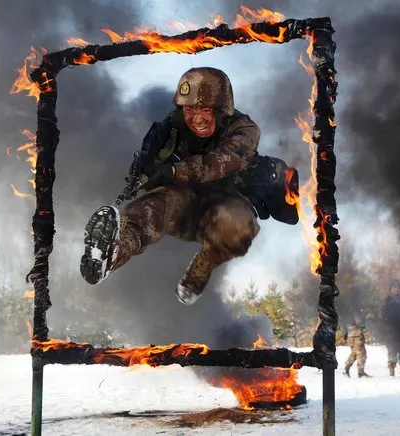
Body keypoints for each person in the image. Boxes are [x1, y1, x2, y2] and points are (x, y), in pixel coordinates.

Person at [80, 67, 266, 305]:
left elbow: (223, 161)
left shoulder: (244, 129)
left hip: (228, 204)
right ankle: (111, 254)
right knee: (152, 208)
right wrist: (149, 172)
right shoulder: (171, 127)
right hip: (185, 202)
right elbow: (154, 162)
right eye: (190, 109)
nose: (197, 118)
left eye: (205, 109)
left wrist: (174, 170)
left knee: (235, 223)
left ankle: (200, 271)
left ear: (222, 109)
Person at [382, 280, 400, 376]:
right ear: (390, 289)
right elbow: (383, 315)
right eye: (394, 287)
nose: (396, 289)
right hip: (391, 330)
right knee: (392, 350)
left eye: (397, 287)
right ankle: (391, 371)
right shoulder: (387, 300)